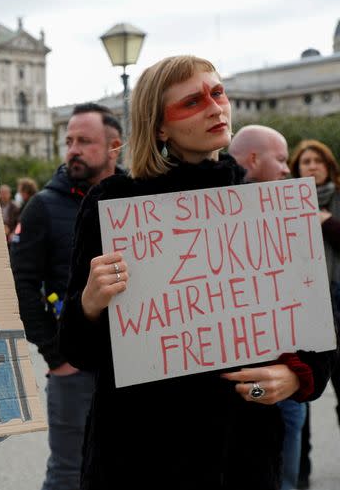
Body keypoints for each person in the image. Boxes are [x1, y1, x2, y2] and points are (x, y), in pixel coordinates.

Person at [58, 55, 336, 490]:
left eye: (218, 92)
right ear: (160, 126)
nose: (215, 107)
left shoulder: (262, 203)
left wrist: (296, 376)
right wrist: (90, 302)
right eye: (193, 100)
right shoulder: (114, 206)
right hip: (140, 456)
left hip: (241, 454)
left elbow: (314, 329)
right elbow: (76, 348)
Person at [11, 103, 122, 490]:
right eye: (69, 141)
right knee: (69, 474)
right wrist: (57, 355)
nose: (73, 149)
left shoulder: (135, 199)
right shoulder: (43, 205)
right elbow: (20, 286)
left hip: (134, 367)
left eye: (84, 141)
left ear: (114, 147)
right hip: (75, 373)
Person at [229, 124, 305, 490]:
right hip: (238, 389)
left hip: (286, 384)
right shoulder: (204, 218)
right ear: (254, 160)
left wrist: (300, 375)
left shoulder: (294, 217)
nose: (288, 169)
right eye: (281, 159)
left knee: (282, 474)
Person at [288, 139, 340, 490]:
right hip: (302, 306)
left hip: (338, 303)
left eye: (317, 160)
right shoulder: (285, 204)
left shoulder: (337, 201)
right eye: (304, 160)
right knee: (301, 392)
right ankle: (302, 473)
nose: (311, 166)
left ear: (328, 165)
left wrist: (328, 222)